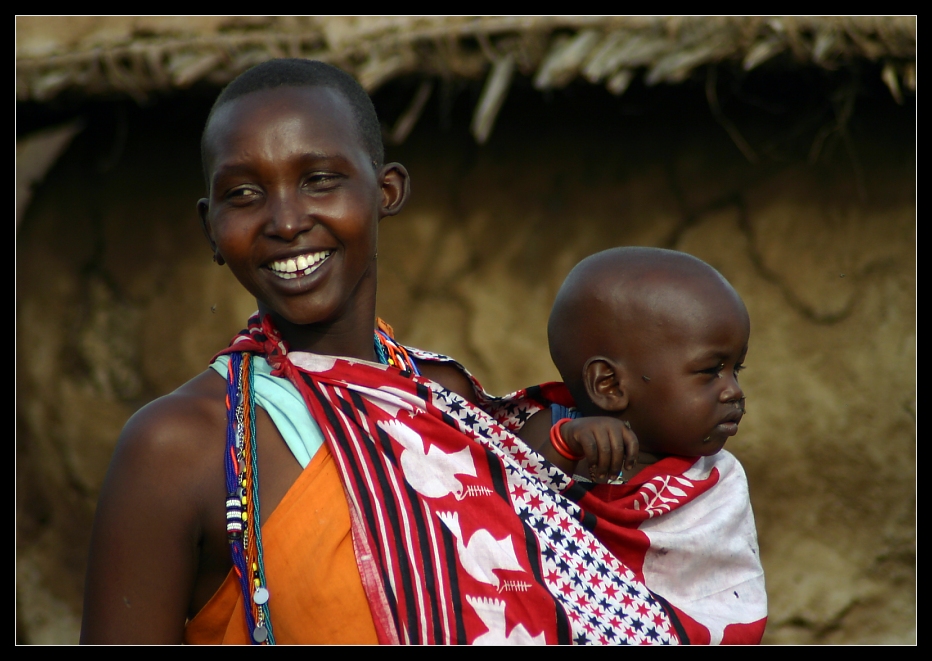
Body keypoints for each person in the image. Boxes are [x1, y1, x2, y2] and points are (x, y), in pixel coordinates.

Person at [80, 60, 684, 645]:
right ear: (211, 228)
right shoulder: (178, 447)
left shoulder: (445, 401)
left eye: (319, 179)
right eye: (244, 194)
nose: (286, 221)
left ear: (387, 190)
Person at [517, 247, 768, 644]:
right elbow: (511, 506)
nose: (734, 391)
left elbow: (722, 606)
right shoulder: (546, 430)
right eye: (709, 371)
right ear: (609, 385)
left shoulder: (716, 482)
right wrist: (566, 445)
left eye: (735, 370)